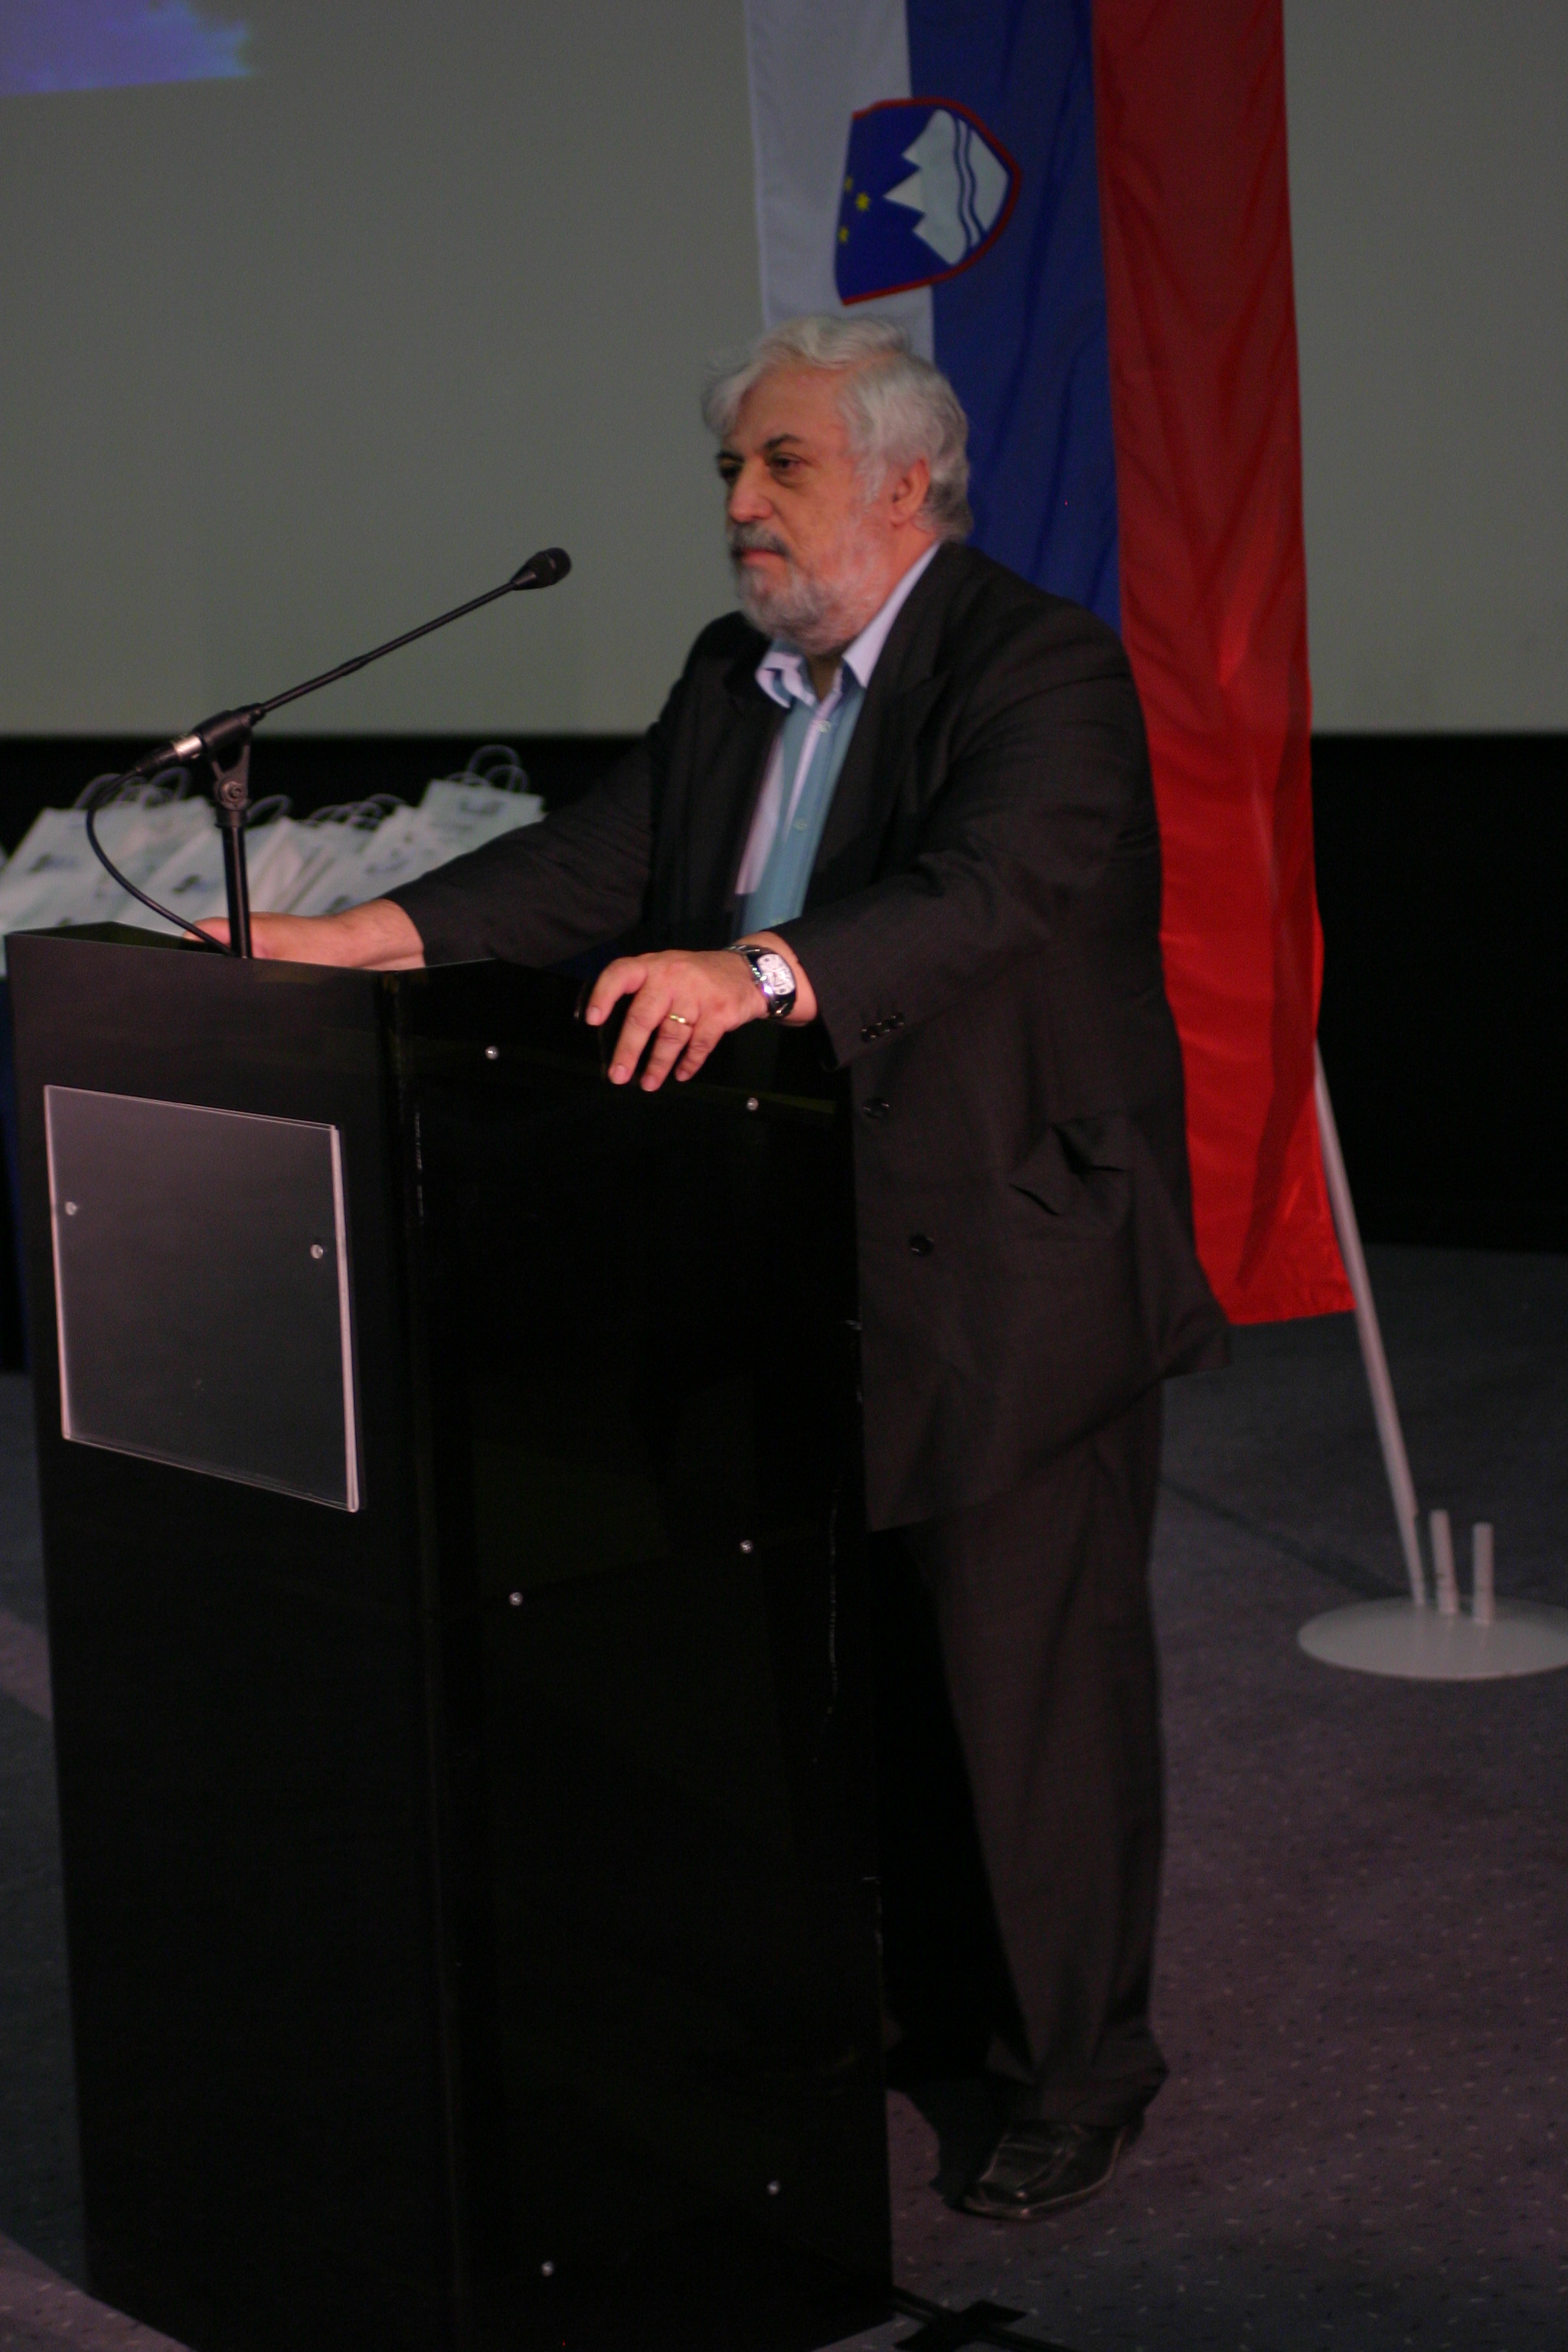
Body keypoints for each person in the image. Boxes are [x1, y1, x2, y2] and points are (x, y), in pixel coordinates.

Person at [230, 314, 1227, 2220]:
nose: (740, 505)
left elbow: (989, 891)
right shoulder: (731, 674)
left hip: (1002, 1255)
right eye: (728, 472)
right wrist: (351, 938)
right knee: (841, 1670)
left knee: (1028, 1692)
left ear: (905, 479)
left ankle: (1074, 2069)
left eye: (780, 465)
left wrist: (755, 970)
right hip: (776, 1245)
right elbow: (597, 866)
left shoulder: (1037, 665)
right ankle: (911, 2000)